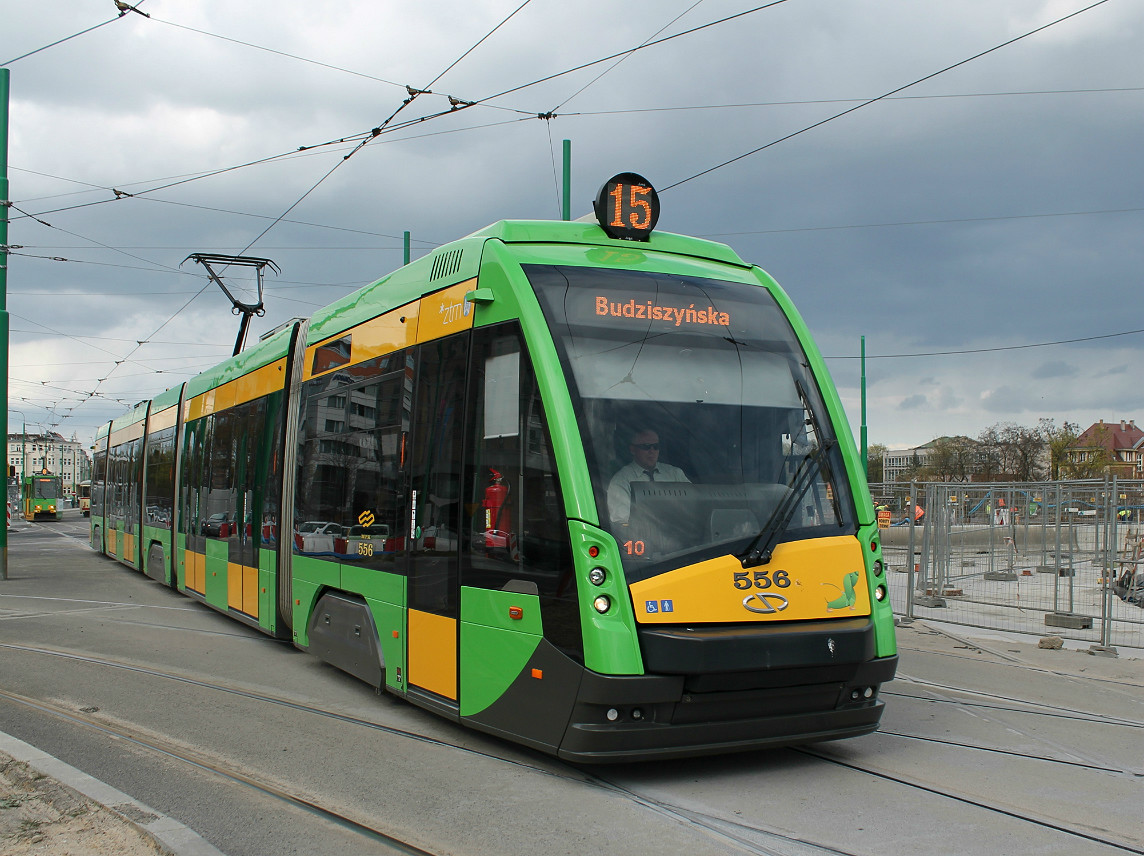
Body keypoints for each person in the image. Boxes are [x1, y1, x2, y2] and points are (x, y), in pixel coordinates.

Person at [607, 428, 689, 526]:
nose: (652, 451)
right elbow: (622, 520)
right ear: (633, 449)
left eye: (656, 446)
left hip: (681, 534)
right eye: (646, 447)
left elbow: (694, 506)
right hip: (643, 538)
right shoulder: (621, 480)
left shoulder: (675, 474)